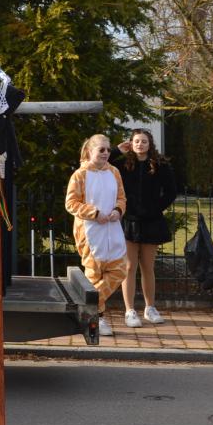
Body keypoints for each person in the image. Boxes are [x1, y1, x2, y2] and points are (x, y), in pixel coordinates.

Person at [111, 129, 177, 328]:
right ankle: (130, 310)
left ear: (150, 144)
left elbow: (171, 192)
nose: (140, 144)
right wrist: (116, 150)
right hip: (129, 220)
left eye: (144, 141)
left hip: (152, 221)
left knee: (148, 266)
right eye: (136, 141)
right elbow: (100, 163)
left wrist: (155, 207)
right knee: (129, 267)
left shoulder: (160, 165)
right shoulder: (122, 164)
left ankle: (150, 307)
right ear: (131, 143)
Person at [65, 134, 128, 338]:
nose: (106, 153)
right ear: (90, 151)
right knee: (93, 277)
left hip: (112, 229)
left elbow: (121, 197)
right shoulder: (80, 175)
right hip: (90, 233)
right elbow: (71, 203)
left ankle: (87, 306)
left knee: (119, 271)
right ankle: (98, 319)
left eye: (108, 150)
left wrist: (118, 210)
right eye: (101, 149)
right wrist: (94, 213)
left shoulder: (115, 172)